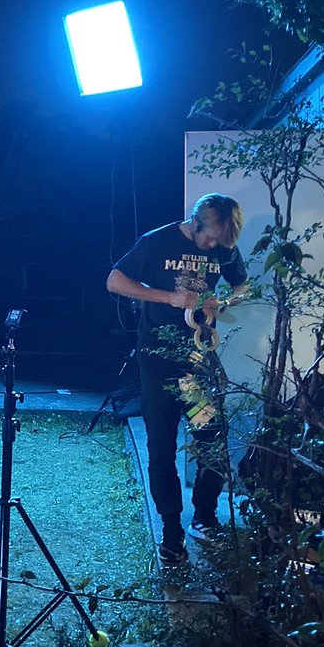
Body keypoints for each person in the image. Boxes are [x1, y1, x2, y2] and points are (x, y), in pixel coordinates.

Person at [106, 193, 249, 566]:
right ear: (194, 223)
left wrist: (223, 303)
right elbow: (115, 281)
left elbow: (242, 285)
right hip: (158, 362)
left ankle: (204, 517)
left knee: (211, 438)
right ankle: (171, 532)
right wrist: (168, 297)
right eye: (210, 239)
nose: (214, 246)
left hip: (197, 364)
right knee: (162, 446)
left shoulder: (224, 245)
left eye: (220, 242)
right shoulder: (156, 241)